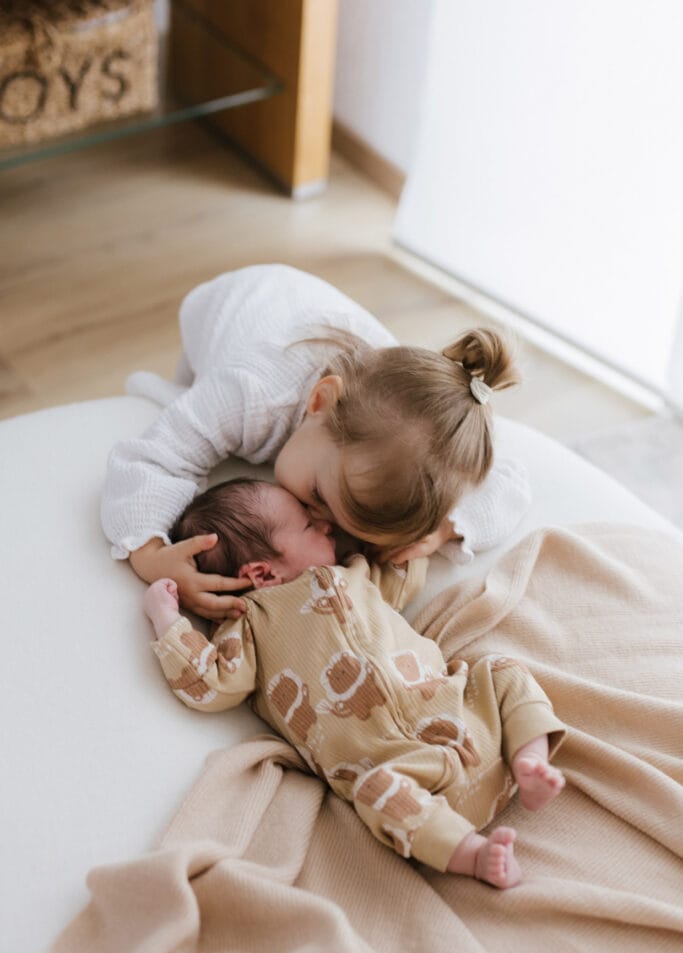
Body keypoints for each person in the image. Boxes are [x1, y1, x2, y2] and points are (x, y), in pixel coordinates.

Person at [144, 478, 566, 888]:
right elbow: (211, 684)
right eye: (309, 525)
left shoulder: (357, 574)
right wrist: (167, 621)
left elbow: (405, 568)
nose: (325, 525)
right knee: (375, 792)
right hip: (404, 774)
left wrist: (405, 525)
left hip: (465, 721)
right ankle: (470, 853)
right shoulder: (249, 625)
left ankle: (531, 760)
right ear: (262, 573)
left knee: (500, 671)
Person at [102, 264, 531, 621]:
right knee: (196, 406)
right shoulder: (253, 392)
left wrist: (443, 529)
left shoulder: (435, 433)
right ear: (319, 401)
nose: (325, 525)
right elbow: (152, 460)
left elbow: (510, 482)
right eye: (317, 496)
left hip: (325, 318)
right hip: (240, 301)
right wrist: (152, 555)